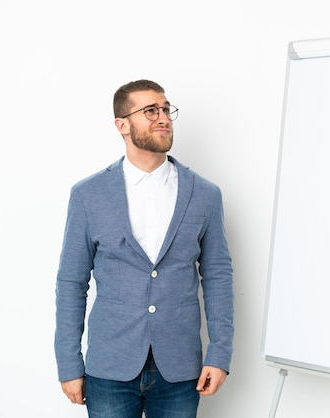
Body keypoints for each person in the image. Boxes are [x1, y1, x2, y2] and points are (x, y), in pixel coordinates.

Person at [54, 79, 234, 418]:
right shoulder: (88, 195)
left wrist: (220, 354)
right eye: (150, 110)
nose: (163, 117)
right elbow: (71, 282)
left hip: (180, 369)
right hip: (110, 366)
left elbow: (218, 278)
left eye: (166, 109)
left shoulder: (206, 195)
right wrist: (68, 363)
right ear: (122, 124)